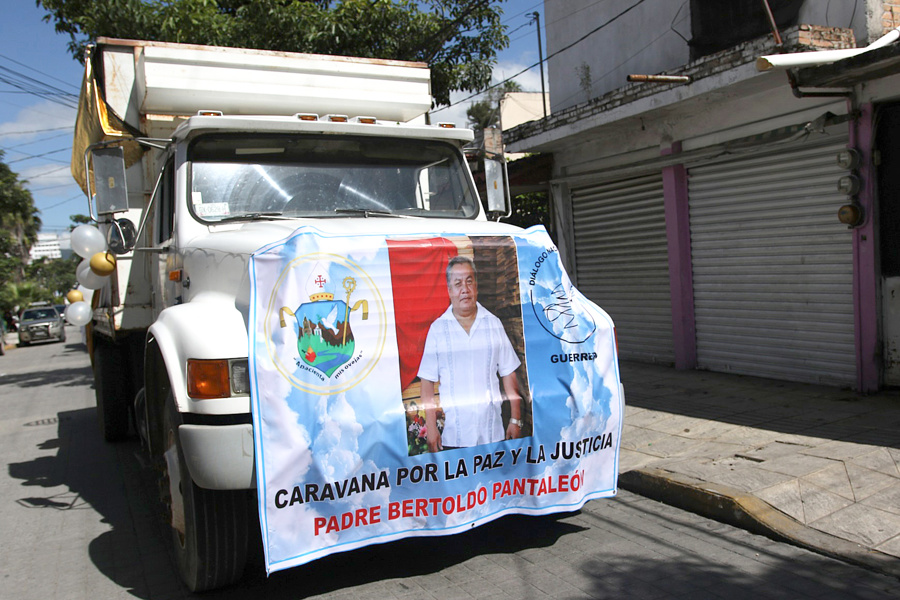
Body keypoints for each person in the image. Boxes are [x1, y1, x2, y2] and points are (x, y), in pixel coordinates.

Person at [417, 256, 524, 451]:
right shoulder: (438, 330)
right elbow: (427, 383)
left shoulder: (493, 324)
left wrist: (516, 419)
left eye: (469, 281)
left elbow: (509, 373)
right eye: (457, 284)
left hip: (493, 435)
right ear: (449, 291)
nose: (464, 290)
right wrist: (431, 428)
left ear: (476, 286)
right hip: (454, 438)